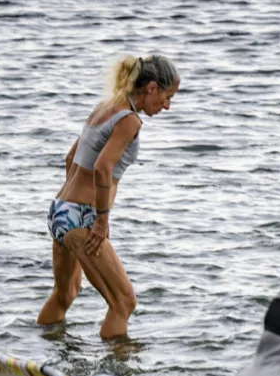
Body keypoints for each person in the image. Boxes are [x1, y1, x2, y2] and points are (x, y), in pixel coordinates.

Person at [37, 55, 179, 339]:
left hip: (60, 209)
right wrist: (99, 220)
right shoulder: (129, 120)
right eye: (166, 96)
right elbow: (103, 169)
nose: (167, 105)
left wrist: (71, 211)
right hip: (81, 215)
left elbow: (70, 159)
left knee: (65, 293)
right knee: (124, 302)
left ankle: (40, 357)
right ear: (151, 87)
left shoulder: (105, 106)